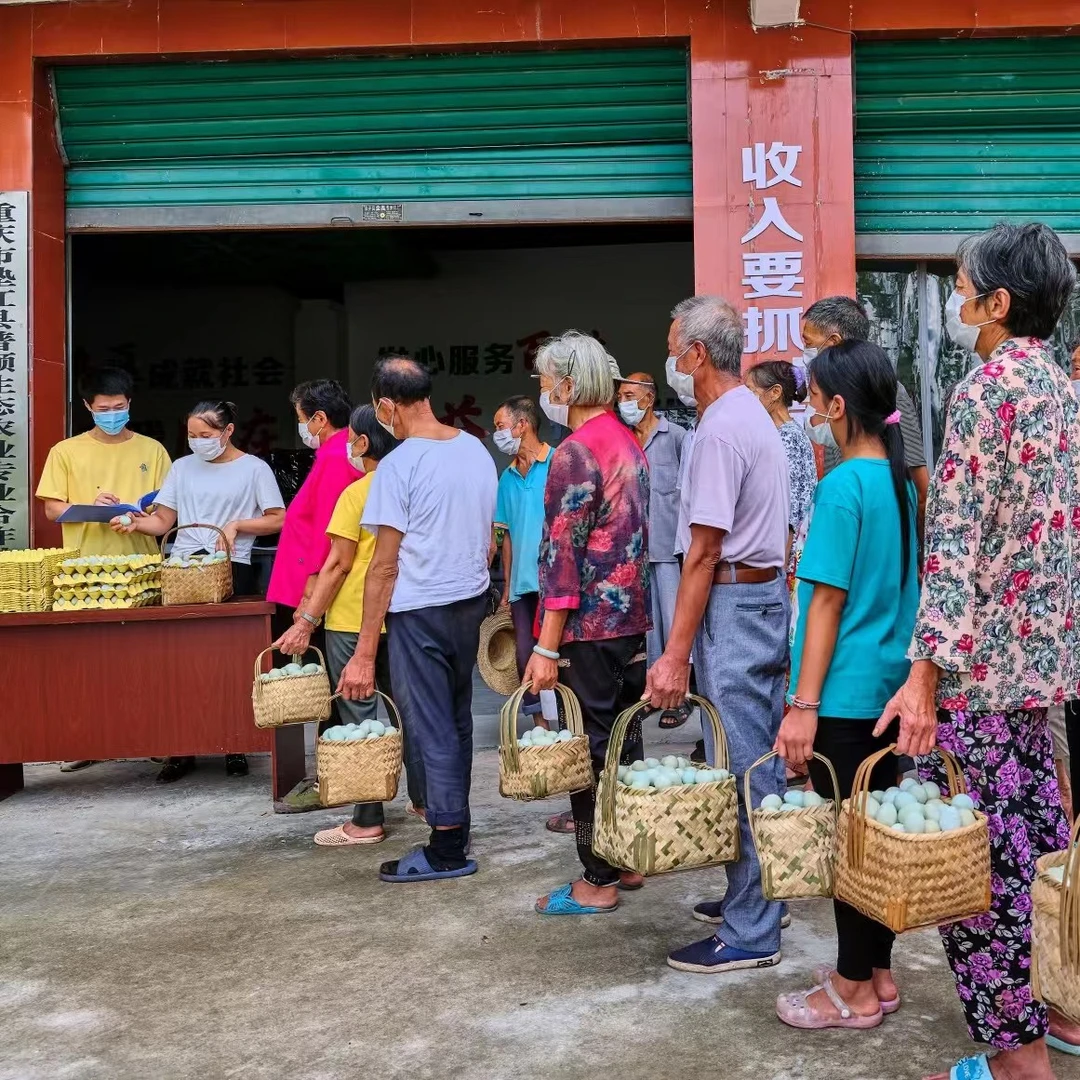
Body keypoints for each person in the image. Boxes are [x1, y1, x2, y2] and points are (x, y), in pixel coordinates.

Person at [877, 223, 1080, 1080]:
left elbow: (954, 545)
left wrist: (923, 677)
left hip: (980, 680)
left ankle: (1017, 1062)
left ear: (997, 303)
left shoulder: (986, 390)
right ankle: (1062, 1010)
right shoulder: (1063, 390)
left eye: (963, 290)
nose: (957, 304)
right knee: (1041, 853)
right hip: (1040, 674)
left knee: (977, 872)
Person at [773, 340, 918, 1030]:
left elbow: (826, 602)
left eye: (812, 400)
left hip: (845, 694)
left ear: (836, 406)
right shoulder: (897, 482)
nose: (810, 412)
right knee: (875, 836)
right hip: (889, 689)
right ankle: (876, 972)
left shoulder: (842, 486)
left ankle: (854, 987)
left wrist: (802, 704)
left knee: (851, 848)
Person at [646, 295, 790, 973]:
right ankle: (757, 895)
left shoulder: (720, 429)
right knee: (753, 755)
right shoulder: (745, 416)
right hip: (754, 596)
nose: (670, 362)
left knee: (746, 762)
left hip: (734, 600)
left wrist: (675, 655)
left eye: (674, 350)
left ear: (698, 354)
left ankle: (752, 927)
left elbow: (702, 553)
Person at [337, 356, 497, 883]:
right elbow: (488, 535)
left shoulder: (399, 466)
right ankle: (457, 826)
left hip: (420, 609)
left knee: (432, 727)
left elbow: (383, 566)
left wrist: (364, 653)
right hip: (468, 602)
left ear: (385, 406)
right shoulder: (474, 449)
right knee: (455, 719)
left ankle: (447, 847)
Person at [525, 331, 652, 915]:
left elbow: (562, 558)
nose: (544, 390)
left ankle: (597, 877)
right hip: (629, 619)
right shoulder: (627, 441)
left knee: (590, 752)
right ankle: (627, 859)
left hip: (589, 627)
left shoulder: (574, 452)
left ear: (569, 385)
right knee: (623, 746)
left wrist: (546, 647)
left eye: (546, 381)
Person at [273, 405, 426, 844]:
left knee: (358, 718)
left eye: (351, 439)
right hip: (404, 616)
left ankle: (367, 819)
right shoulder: (413, 488)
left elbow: (338, 565)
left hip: (351, 620)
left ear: (362, 443)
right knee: (410, 712)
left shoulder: (357, 494)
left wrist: (306, 620)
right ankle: (426, 802)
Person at [111, 400, 285, 780]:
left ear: (228, 431)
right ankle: (181, 747)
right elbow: (163, 522)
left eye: (205, 435)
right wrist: (134, 523)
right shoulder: (182, 468)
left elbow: (278, 518)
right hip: (182, 571)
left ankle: (235, 744)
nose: (197, 441)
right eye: (191, 435)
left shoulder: (254, 469)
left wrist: (238, 525)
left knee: (231, 659)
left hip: (232, 567)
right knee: (179, 660)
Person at [36, 365, 171, 773]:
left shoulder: (153, 450)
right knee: (86, 661)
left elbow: (166, 507)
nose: (112, 415)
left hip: (142, 568)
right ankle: (88, 741)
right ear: (87, 407)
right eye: (103, 409)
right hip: (83, 572)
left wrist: (139, 512)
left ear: (130, 403)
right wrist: (93, 506)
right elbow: (52, 508)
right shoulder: (65, 451)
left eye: (119, 407)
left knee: (144, 659)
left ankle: (154, 738)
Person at [267, 379, 357, 813]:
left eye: (302, 419)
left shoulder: (337, 456)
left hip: (323, 589)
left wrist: (309, 602)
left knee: (331, 688)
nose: (301, 427)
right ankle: (331, 774)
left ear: (320, 418)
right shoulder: (334, 452)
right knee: (329, 685)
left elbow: (328, 534)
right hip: (319, 585)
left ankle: (332, 778)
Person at [802, 296, 930, 538]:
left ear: (833, 343)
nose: (805, 353)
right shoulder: (832, 400)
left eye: (808, 343)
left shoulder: (886, 392)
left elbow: (921, 490)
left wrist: (914, 552)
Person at [616, 372, 689, 730]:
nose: (623, 402)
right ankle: (653, 696)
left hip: (668, 549)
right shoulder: (623, 439)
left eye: (629, 395)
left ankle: (682, 697)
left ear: (648, 398)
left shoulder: (676, 437)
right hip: (632, 553)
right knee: (646, 631)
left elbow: (690, 493)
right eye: (620, 396)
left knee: (675, 626)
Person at [492, 395, 557, 727]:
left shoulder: (558, 462)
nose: (497, 434)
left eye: (500, 426)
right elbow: (506, 538)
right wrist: (507, 586)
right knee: (524, 655)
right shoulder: (506, 478)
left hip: (556, 581)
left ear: (522, 425)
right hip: (521, 584)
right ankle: (541, 731)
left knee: (561, 655)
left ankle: (571, 726)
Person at [745, 360, 817, 585]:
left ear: (775, 393)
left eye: (751, 391)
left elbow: (789, 510)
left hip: (787, 558)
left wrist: (781, 569)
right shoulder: (779, 433)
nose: (745, 399)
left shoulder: (787, 438)